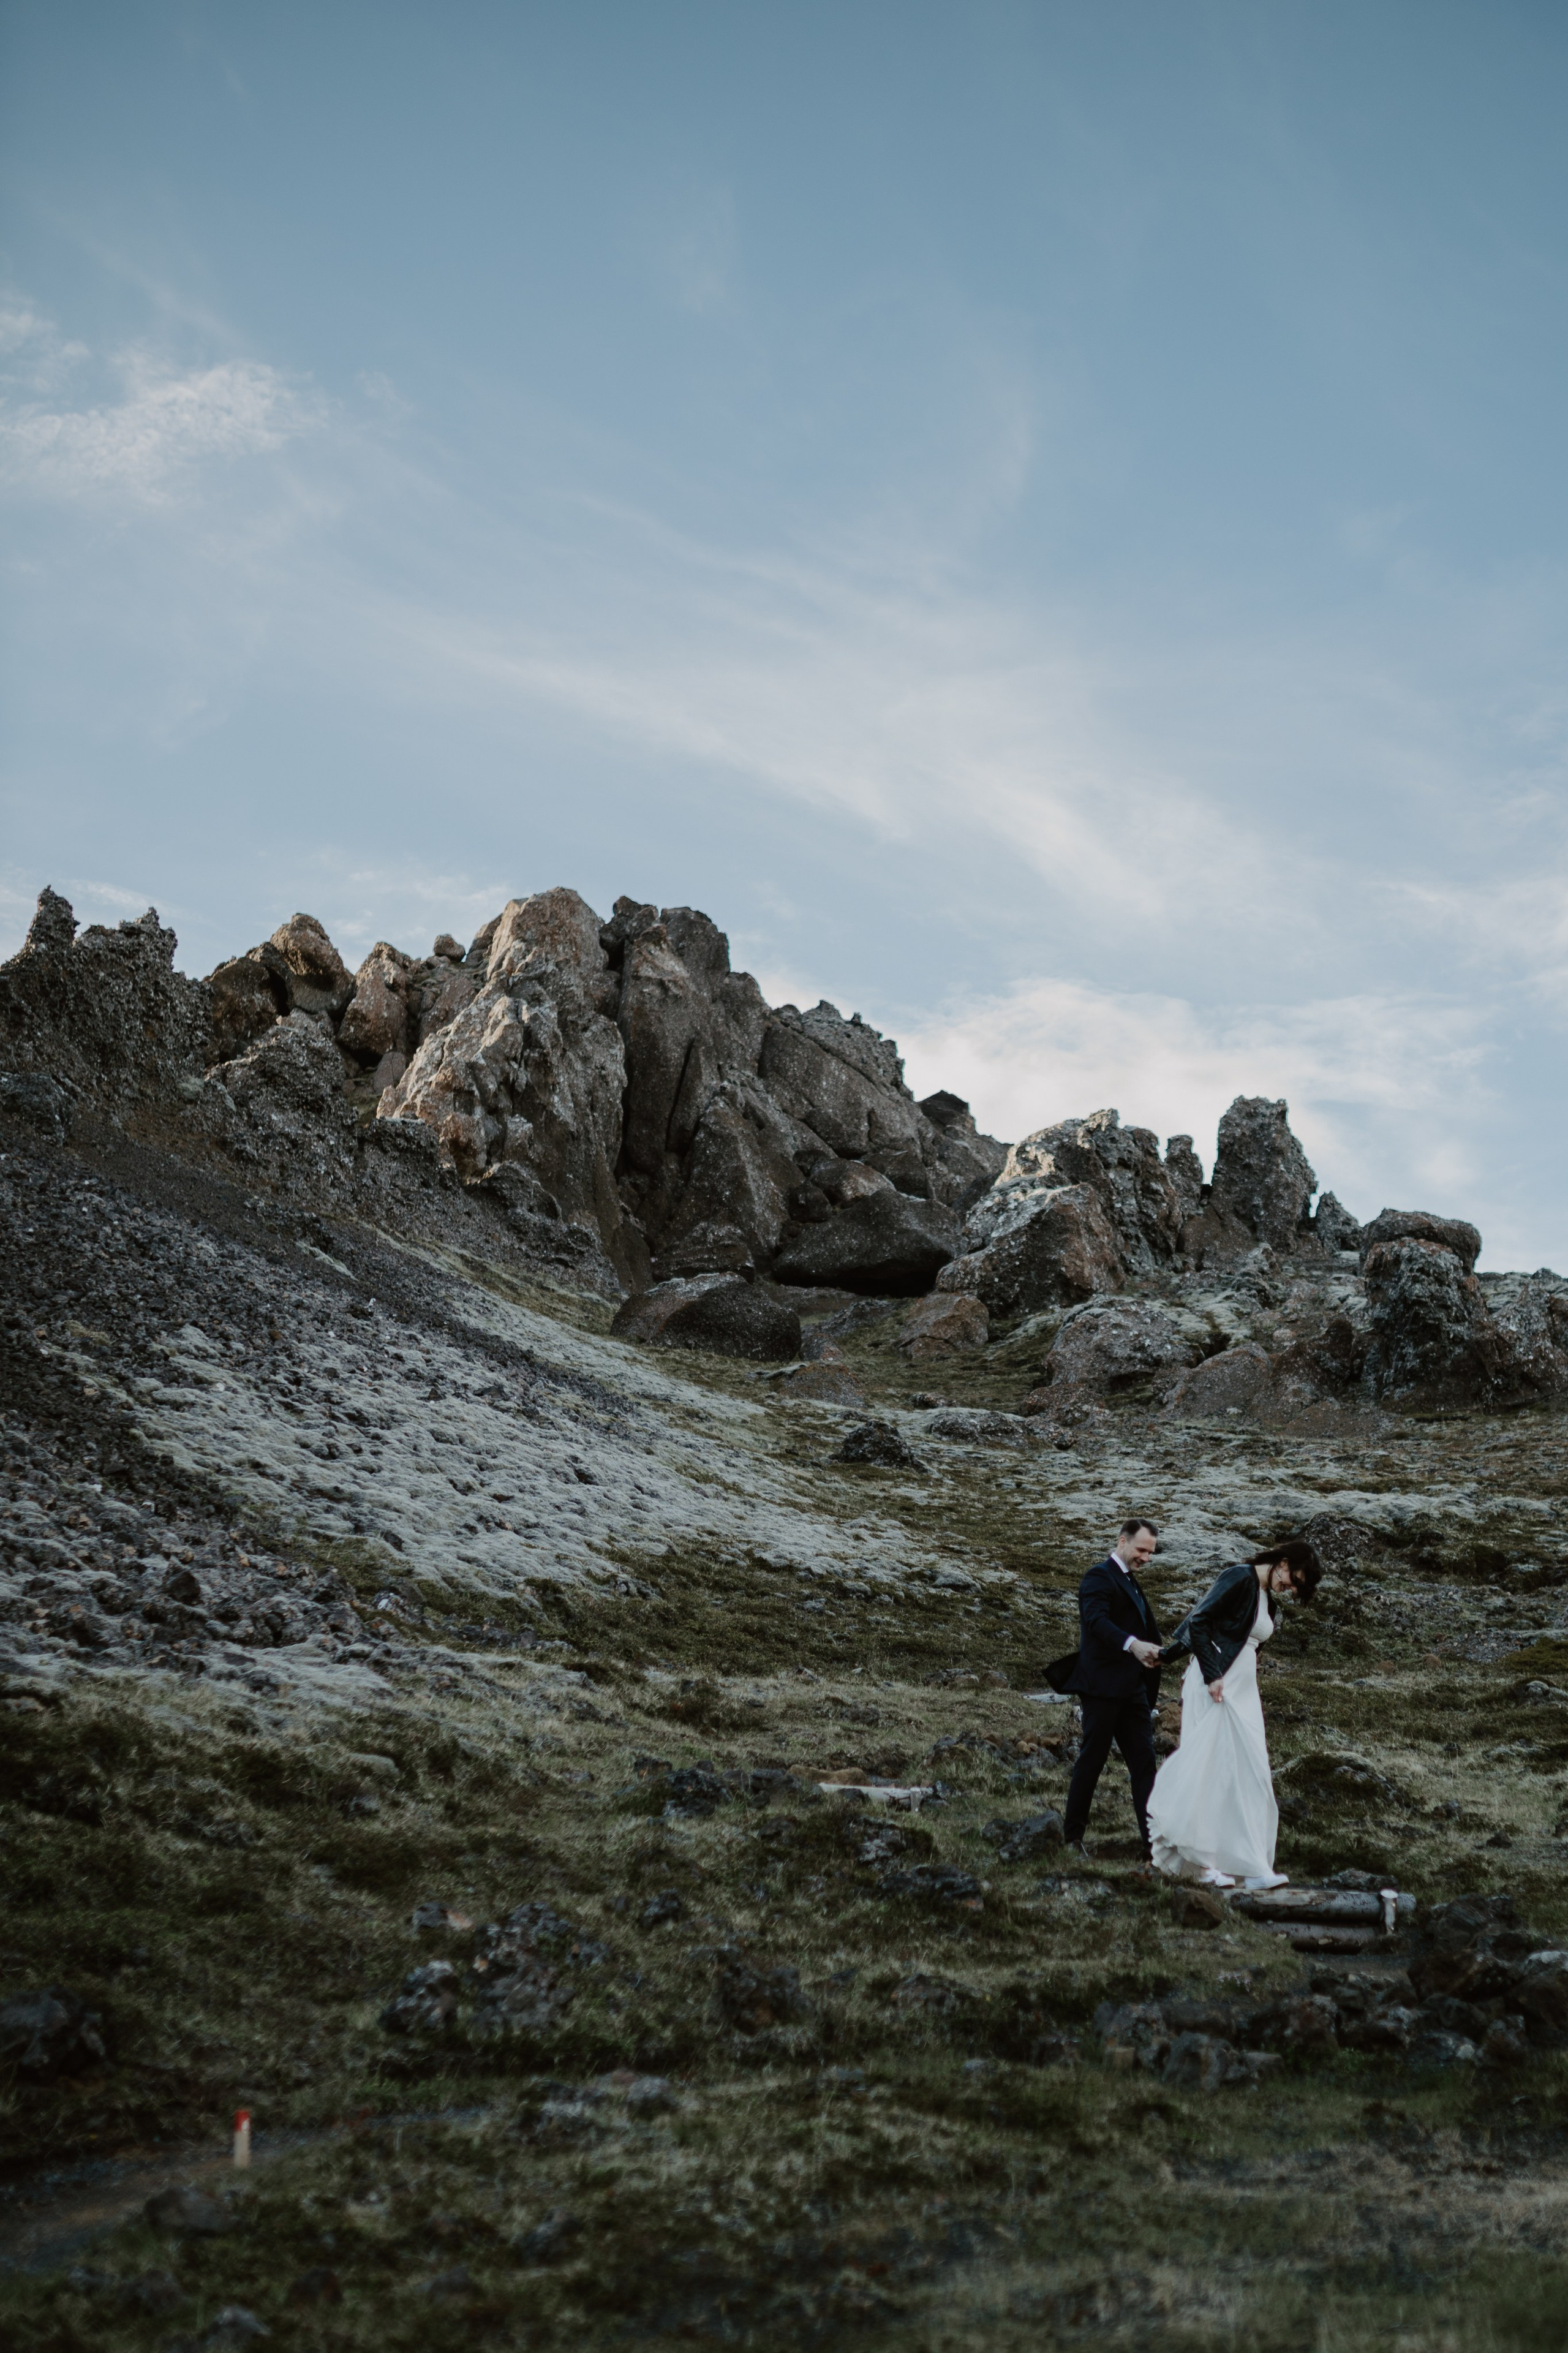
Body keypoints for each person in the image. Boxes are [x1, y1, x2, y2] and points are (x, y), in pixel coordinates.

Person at [1146, 1539, 1323, 1890]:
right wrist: (1211, 1675)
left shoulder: (1266, 1599)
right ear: (1283, 1562)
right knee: (1213, 1768)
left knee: (1250, 1773)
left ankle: (1252, 1866)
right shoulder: (1239, 1577)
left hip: (1242, 1690)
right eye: (1294, 1579)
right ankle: (1201, 1864)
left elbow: (1232, 1637)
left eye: (1297, 1587)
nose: (1290, 1588)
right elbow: (1200, 1622)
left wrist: (1169, 1655)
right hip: (1217, 1685)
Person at [1058, 1518, 1166, 1860]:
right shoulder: (1098, 1576)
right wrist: (1133, 1645)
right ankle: (1072, 1839)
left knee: (1145, 1766)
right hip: (1102, 1688)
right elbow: (1096, 1621)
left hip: (1133, 1690)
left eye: (1151, 1552)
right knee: (1092, 1760)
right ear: (1122, 1541)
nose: (1146, 1558)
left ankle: (1154, 1846)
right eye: (1141, 1550)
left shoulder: (1131, 1581)